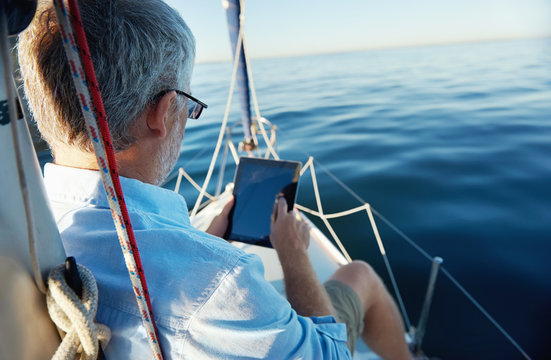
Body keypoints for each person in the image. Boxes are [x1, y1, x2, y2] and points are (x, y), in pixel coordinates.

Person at [18, 0, 413, 359]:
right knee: (360, 275)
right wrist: (292, 256)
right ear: (164, 110)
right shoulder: (220, 281)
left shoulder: (25, 231)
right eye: (189, 107)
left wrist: (204, 240)